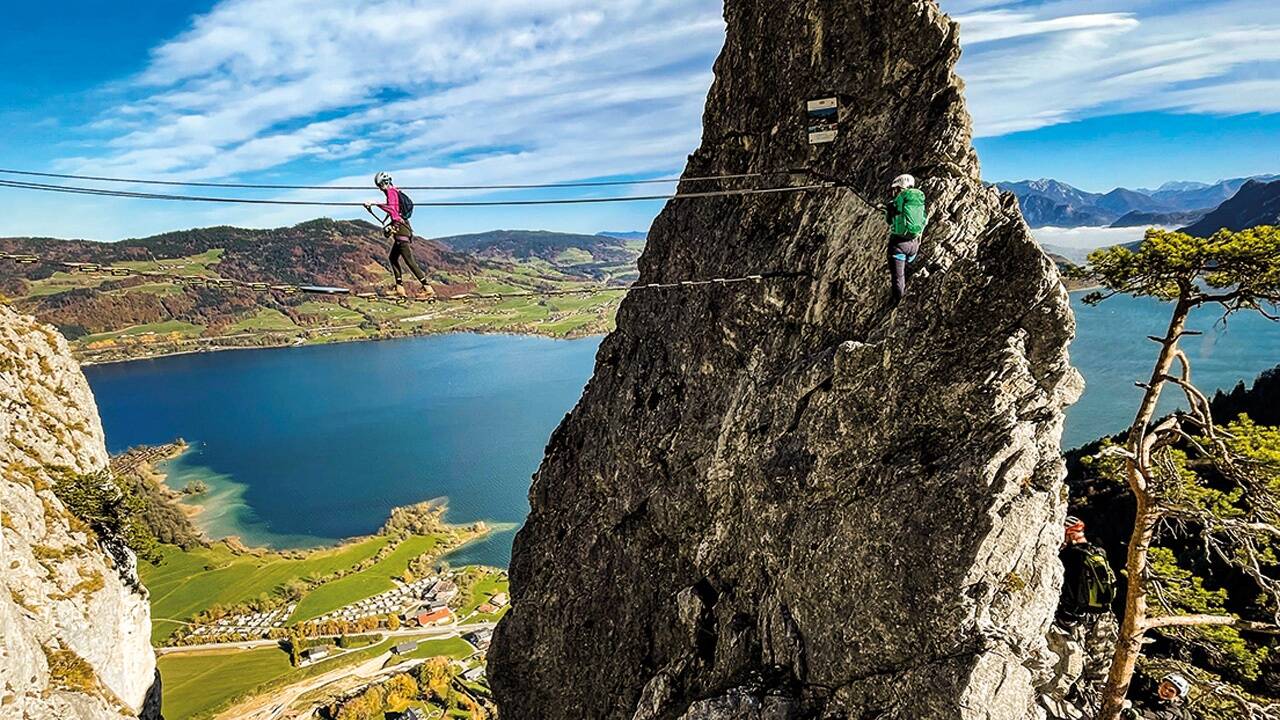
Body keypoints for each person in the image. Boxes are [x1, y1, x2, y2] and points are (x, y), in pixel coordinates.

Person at [1040, 515, 1120, 718]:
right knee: (1100, 673)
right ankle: (1099, 711)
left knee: (1080, 666)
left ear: (1068, 534)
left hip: (1079, 619)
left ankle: (1085, 709)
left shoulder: (1070, 556)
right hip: (1105, 619)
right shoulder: (1098, 552)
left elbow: (1067, 589)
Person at [364, 172, 434, 298]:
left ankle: (427, 287)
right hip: (401, 227)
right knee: (393, 258)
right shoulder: (394, 191)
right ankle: (399, 288)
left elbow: (392, 210)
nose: (380, 188)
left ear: (383, 183)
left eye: (380, 185)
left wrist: (375, 203)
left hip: (401, 229)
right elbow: (395, 212)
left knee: (409, 260)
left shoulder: (391, 192)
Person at [883, 173, 927, 304]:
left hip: (898, 245)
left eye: (895, 189)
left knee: (898, 277)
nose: (893, 192)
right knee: (905, 270)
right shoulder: (918, 200)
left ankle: (898, 302)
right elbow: (924, 220)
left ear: (899, 188)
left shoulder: (898, 200)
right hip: (914, 245)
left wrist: (887, 210)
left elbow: (889, 221)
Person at [1121, 673, 1193, 720]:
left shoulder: (1175, 710)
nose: (1165, 691)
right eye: (1165, 686)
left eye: (1171, 691)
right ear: (1160, 685)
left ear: (1177, 697)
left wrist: (1138, 713)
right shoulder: (1152, 696)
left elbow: (1159, 716)